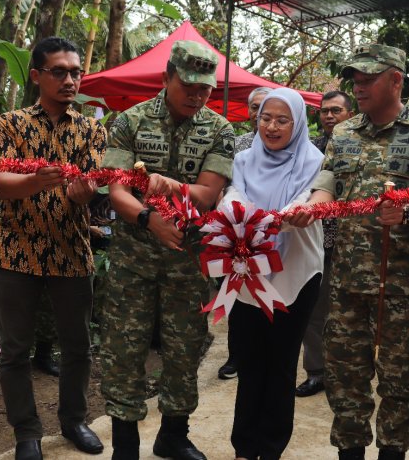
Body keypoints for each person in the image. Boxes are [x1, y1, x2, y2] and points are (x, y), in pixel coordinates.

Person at [287, 44, 409, 460]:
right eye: (355, 79)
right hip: (346, 280)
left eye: (368, 78)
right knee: (346, 379)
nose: (358, 86)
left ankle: (392, 453)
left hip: (402, 285)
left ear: (396, 80)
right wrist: (310, 208)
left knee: (400, 383)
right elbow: (326, 185)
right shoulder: (343, 133)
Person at [101, 39, 235, 460]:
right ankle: (125, 444)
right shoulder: (129, 122)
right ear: (167, 78)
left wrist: (175, 188)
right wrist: (147, 219)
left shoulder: (219, 130)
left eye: (205, 88)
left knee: (184, 348)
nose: (196, 95)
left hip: (187, 263)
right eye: (188, 85)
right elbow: (117, 190)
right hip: (132, 261)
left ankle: (173, 434)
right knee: (125, 349)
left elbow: (209, 194)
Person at [0, 36, 107, 459]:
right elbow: (3, 183)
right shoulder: (10, 124)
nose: (70, 79)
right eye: (59, 71)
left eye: (75, 72)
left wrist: (82, 193)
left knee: (77, 345)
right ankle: (27, 433)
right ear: (37, 75)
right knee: (15, 349)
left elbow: (87, 193)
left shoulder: (92, 128)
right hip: (16, 253)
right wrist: (39, 180)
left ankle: (74, 420)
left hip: (71, 252)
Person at [224, 88, 325, 459]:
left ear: (298, 123)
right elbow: (232, 194)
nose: (271, 126)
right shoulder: (244, 158)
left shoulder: (315, 161)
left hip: (295, 277)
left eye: (282, 120)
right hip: (247, 275)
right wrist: (244, 215)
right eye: (266, 118)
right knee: (249, 362)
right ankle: (243, 446)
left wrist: (271, 221)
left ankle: (270, 447)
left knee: (281, 365)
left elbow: (307, 202)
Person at [296, 89, 354, 398]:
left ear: (350, 114)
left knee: (348, 313)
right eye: (324, 111)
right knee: (313, 311)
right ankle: (316, 372)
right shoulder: (308, 151)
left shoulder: (360, 147)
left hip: (353, 244)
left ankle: (346, 373)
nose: (329, 116)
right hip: (316, 243)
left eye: (336, 110)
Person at [219, 85, 273, 382]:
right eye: (255, 108)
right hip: (238, 232)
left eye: (266, 108)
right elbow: (225, 184)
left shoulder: (290, 146)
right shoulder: (237, 144)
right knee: (239, 298)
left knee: (273, 294)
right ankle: (235, 357)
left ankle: (266, 354)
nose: (261, 115)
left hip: (277, 231)